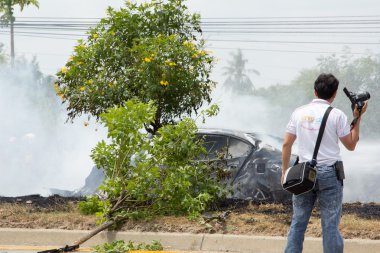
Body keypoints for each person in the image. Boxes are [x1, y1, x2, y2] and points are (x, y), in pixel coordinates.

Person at [281, 73, 368, 253]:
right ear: (334, 94)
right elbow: (351, 145)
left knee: (298, 222)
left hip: (303, 174)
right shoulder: (337, 115)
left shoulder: (299, 112)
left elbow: (286, 144)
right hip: (330, 174)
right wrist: (358, 117)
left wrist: (284, 172)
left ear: (315, 91)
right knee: (330, 225)